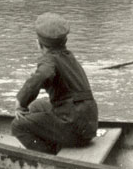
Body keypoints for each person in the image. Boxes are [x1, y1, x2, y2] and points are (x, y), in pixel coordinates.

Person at [11, 13, 98, 154]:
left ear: (39, 44)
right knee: (35, 106)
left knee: (18, 126)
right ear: (65, 41)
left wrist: (20, 101)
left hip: (74, 128)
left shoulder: (49, 60)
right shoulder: (68, 56)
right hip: (89, 124)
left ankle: (50, 156)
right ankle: (53, 140)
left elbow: (43, 75)